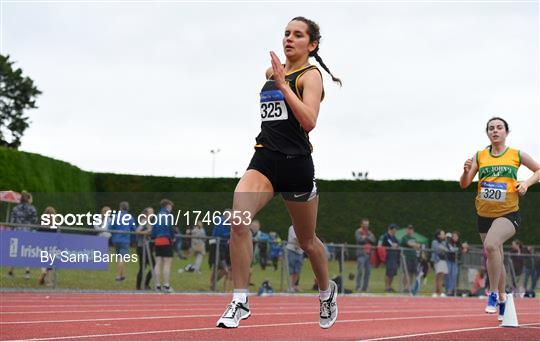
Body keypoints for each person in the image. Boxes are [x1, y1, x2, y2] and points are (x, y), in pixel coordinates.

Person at [216, 16, 341, 329]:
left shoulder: (310, 76)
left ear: (311, 45)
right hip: (265, 159)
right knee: (239, 221)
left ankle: (326, 293)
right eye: (286, 33)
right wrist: (279, 80)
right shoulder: (270, 72)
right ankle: (240, 300)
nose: (289, 39)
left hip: (296, 164)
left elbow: (310, 120)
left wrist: (285, 85)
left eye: (298, 35)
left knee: (307, 241)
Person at [460, 116, 540, 320]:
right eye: (491, 128)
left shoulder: (516, 154)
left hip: (508, 213)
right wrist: (465, 171)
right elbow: (464, 184)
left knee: (491, 245)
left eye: (499, 128)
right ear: (487, 133)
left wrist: (526, 184)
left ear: (506, 132)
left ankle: (493, 294)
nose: (495, 131)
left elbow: (538, 170)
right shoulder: (480, 156)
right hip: (484, 214)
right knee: (495, 256)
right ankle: (504, 299)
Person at [8, 191, 37, 279]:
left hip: (17, 232)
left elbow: (11, 222)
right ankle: (27, 272)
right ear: (28, 199)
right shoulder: (32, 209)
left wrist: (14, 229)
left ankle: (11, 271)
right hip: (28, 233)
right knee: (27, 252)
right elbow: (35, 221)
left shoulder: (15, 208)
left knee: (16, 252)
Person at [151, 199, 176, 293]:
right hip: (166, 240)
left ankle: (157, 285)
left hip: (157, 240)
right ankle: (166, 285)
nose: (171, 208)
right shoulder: (168, 215)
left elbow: (153, 230)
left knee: (158, 263)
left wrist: (153, 236)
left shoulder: (157, 215)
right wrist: (173, 238)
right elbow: (170, 228)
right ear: (167, 206)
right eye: (171, 206)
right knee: (167, 263)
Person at [109, 201, 136, 282]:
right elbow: (134, 229)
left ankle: (122, 275)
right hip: (125, 240)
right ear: (128, 208)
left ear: (120, 207)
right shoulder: (130, 217)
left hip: (115, 239)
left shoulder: (115, 216)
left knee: (119, 258)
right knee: (122, 258)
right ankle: (118, 276)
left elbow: (110, 227)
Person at [135, 207, 154, 290]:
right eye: (151, 212)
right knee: (143, 267)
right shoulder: (144, 221)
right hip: (142, 247)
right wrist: (147, 232)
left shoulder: (149, 222)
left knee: (153, 266)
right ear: (146, 214)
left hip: (147, 247)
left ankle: (145, 284)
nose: (153, 214)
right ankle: (140, 286)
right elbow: (137, 231)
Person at [355, 218, 376, 292]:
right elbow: (359, 240)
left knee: (368, 271)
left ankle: (365, 287)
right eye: (365, 224)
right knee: (360, 270)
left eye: (367, 224)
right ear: (361, 224)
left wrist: (365, 238)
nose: (366, 226)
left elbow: (373, 240)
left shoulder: (369, 232)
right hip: (361, 254)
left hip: (369, 254)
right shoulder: (358, 231)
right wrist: (367, 239)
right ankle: (358, 286)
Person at [38, 206, 57, 286]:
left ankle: (43, 272)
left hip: (43, 242)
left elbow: (38, 231)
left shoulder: (41, 221)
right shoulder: (55, 222)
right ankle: (49, 281)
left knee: (43, 260)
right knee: (50, 262)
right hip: (51, 243)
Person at [400, 224, 421, 292]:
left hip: (413, 257)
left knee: (412, 273)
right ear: (406, 230)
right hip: (406, 257)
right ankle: (405, 287)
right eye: (408, 229)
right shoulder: (404, 238)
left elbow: (418, 246)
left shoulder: (414, 238)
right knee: (406, 272)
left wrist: (414, 245)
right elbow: (409, 244)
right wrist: (414, 245)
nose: (410, 230)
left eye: (411, 229)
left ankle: (409, 287)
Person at [286, 225, 305, 293]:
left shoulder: (304, 227)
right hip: (292, 250)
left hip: (300, 251)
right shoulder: (292, 227)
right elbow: (296, 238)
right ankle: (290, 286)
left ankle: (293, 286)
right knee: (291, 269)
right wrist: (299, 245)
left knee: (297, 270)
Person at [381, 224, 400, 293]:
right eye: (395, 229)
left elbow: (397, 244)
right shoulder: (386, 236)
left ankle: (390, 286)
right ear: (391, 229)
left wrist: (396, 245)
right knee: (388, 272)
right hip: (389, 256)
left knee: (393, 272)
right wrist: (395, 245)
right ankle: (386, 287)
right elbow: (392, 244)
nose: (396, 230)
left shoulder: (394, 237)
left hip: (394, 256)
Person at [431, 229, 448, 297]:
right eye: (442, 234)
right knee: (437, 276)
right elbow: (438, 249)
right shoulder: (434, 242)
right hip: (437, 260)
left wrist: (444, 249)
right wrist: (443, 249)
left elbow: (446, 250)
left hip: (443, 261)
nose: (444, 235)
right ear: (438, 235)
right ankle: (435, 292)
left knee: (441, 277)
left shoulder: (444, 242)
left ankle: (440, 292)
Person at [444, 232, 459, 296]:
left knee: (454, 275)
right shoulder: (448, 243)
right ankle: (447, 290)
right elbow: (451, 249)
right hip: (449, 260)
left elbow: (462, 249)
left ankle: (451, 290)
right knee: (448, 275)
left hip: (455, 262)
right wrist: (457, 249)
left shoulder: (458, 243)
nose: (448, 239)